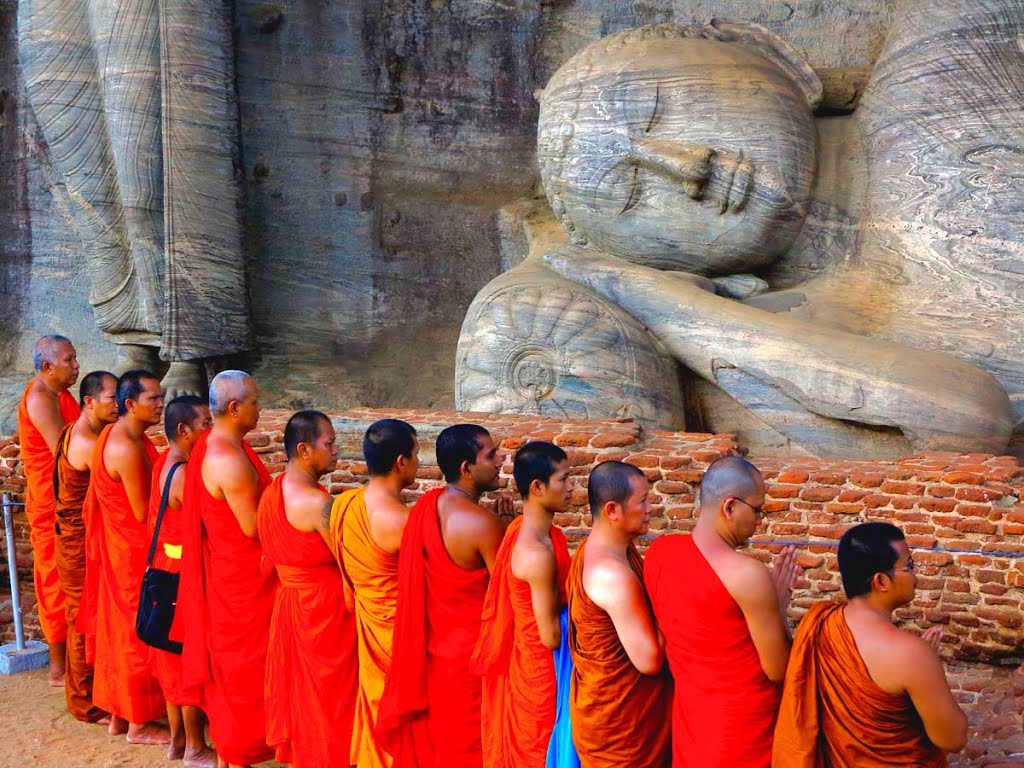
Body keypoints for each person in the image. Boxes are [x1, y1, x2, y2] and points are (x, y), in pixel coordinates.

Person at [644, 455, 800, 767]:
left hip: (691, 728)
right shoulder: (747, 575)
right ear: (729, 507)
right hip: (743, 735)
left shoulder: (660, 553)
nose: (760, 520)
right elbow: (778, 670)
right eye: (757, 509)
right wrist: (779, 610)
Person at [773, 522, 968, 767]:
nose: (916, 575)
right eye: (909, 566)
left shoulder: (819, 623)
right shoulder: (912, 654)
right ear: (881, 581)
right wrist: (924, 678)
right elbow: (952, 738)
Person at [378, 423, 508, 768]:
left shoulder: (426, 507)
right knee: (473, 749)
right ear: (467, 468)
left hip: (435, 654)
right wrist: (509, 533)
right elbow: (507, 595)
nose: (500, 461)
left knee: (444, 748)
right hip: (474, 660)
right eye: (491, 455)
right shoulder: (482, 524)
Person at [178, 371, 276, 768]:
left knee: (240, 675)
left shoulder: (217, 444)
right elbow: (254, 527)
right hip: (243, 584)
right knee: (243, 676)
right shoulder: (225, 457)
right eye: (254, 402)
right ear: (234, 408)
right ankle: (236, 756)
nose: (260, 408)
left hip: (232, 577)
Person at [259, 410, 358, 768]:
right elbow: (350, 564)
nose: (336, 451)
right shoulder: (319, 504)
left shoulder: (274, 489)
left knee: (305, 696)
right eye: (329, 444)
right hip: (325, 611)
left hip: (290, 604)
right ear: (304, 450)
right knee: (331, 700)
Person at [473, 441, 574, 768]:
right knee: (540, 751)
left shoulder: (528, 530)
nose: (572, 487)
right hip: (541, 672)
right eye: (564, 479)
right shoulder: (536, 551)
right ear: (537, 487)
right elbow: (550, 638)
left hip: (532, 664)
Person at [567, 461, 672, 768]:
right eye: (643, 501)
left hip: (620, 714)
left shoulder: (605, 548)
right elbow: (649, 660)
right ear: (612, 510)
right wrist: (675, 602)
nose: (651, 508)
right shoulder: (611, 574)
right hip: (621, 728)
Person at [84, 370, 169, 744]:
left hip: (121, 551)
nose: (161, 405)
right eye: (153, 398)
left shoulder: (117, 434)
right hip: (134, 553)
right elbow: (144, 513)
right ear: (130, 404)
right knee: (138, 635)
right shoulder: (126, 447)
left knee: (121, 632)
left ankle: (120, 716)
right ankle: (139, 722)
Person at [331, 419, 420, 768]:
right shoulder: (404, 522)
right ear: (400, 462)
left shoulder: (342, 504)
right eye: (414, 456)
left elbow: (347, 575)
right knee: (401, 721)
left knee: (374, 707)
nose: (417, 464)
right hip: (399, 635)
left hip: (369, 623)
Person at [147, 396, 217, 767]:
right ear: (183, 431)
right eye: (206, 423)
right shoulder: (185, 474)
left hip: (166, 568)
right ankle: (194, 746)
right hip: (180, 576)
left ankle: (177, 742)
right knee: (184, 663)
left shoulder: (165, 461)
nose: (212, 429)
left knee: (172, 663)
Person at [52, 370, 116, 723]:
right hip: (78, 542)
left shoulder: (80, 430)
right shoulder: (90, 443)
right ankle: (83, 701)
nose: (119, 405)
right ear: (89, 401)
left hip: (73, 537)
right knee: (81, 619)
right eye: (112, 398)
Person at [17, 334, 80, 685]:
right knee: (54, 580)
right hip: (52, 504)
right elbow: (64, 452)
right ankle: (58, 668)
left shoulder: (61, 394)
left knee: (71, 579)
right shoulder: (41, 398)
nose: (75, 365)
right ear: (47, 367)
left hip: (67, 501)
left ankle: (76, 659)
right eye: (69, 360)